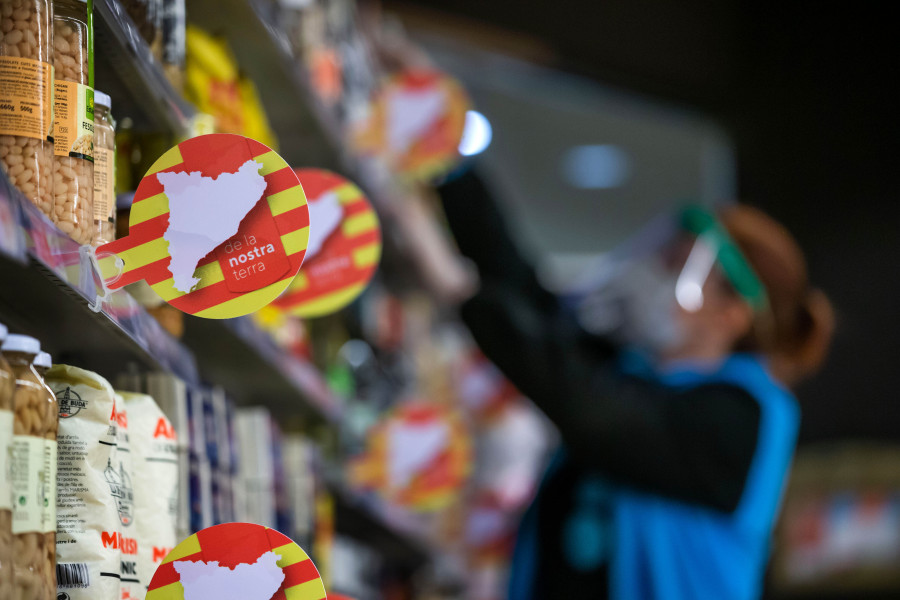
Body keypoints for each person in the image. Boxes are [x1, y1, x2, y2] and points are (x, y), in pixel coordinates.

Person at [434, 169, 834, 599]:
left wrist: (455, 289)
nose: (653, 277)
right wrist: (448, 166)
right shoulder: (641, 374)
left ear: (730, 316)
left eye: (675, 268)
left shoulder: (744, 417)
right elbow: (536, 306)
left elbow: (585, 408)